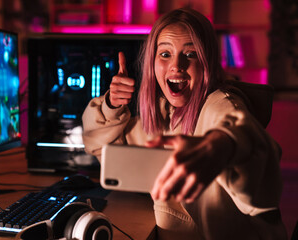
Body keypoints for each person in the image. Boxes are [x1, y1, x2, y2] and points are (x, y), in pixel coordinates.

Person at [82, 8, 287, 240]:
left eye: (190, 54)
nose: (176, 65)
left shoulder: (221, 105)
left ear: (207, 61)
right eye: (165, 54)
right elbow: (106, 152)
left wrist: (222, 144)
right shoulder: (164, 113)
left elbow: (248, 144)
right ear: (152, 62)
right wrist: (111, 104)